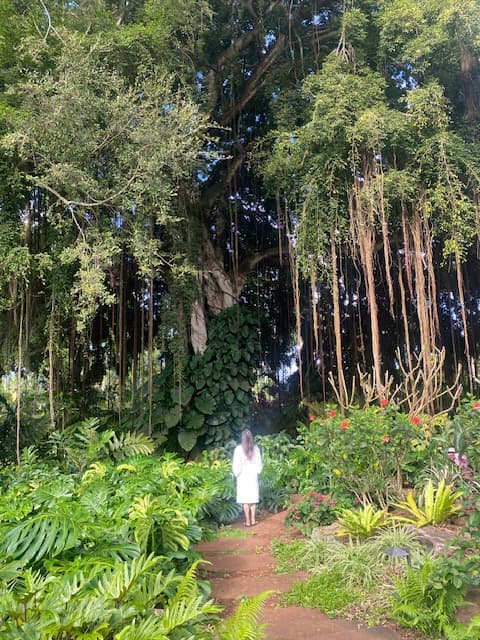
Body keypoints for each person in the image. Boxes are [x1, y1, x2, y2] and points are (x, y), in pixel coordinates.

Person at [232, 429, 263, 526]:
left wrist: (237, 472)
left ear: (242, 438)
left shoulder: (238, 449)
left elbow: (236, 465)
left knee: (245, 499)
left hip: (242, 476)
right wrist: (257, 471)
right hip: (252, 475)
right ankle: (253, 520)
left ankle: (247, 521)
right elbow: (259, 464)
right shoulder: (256, 449)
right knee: (253, 498)